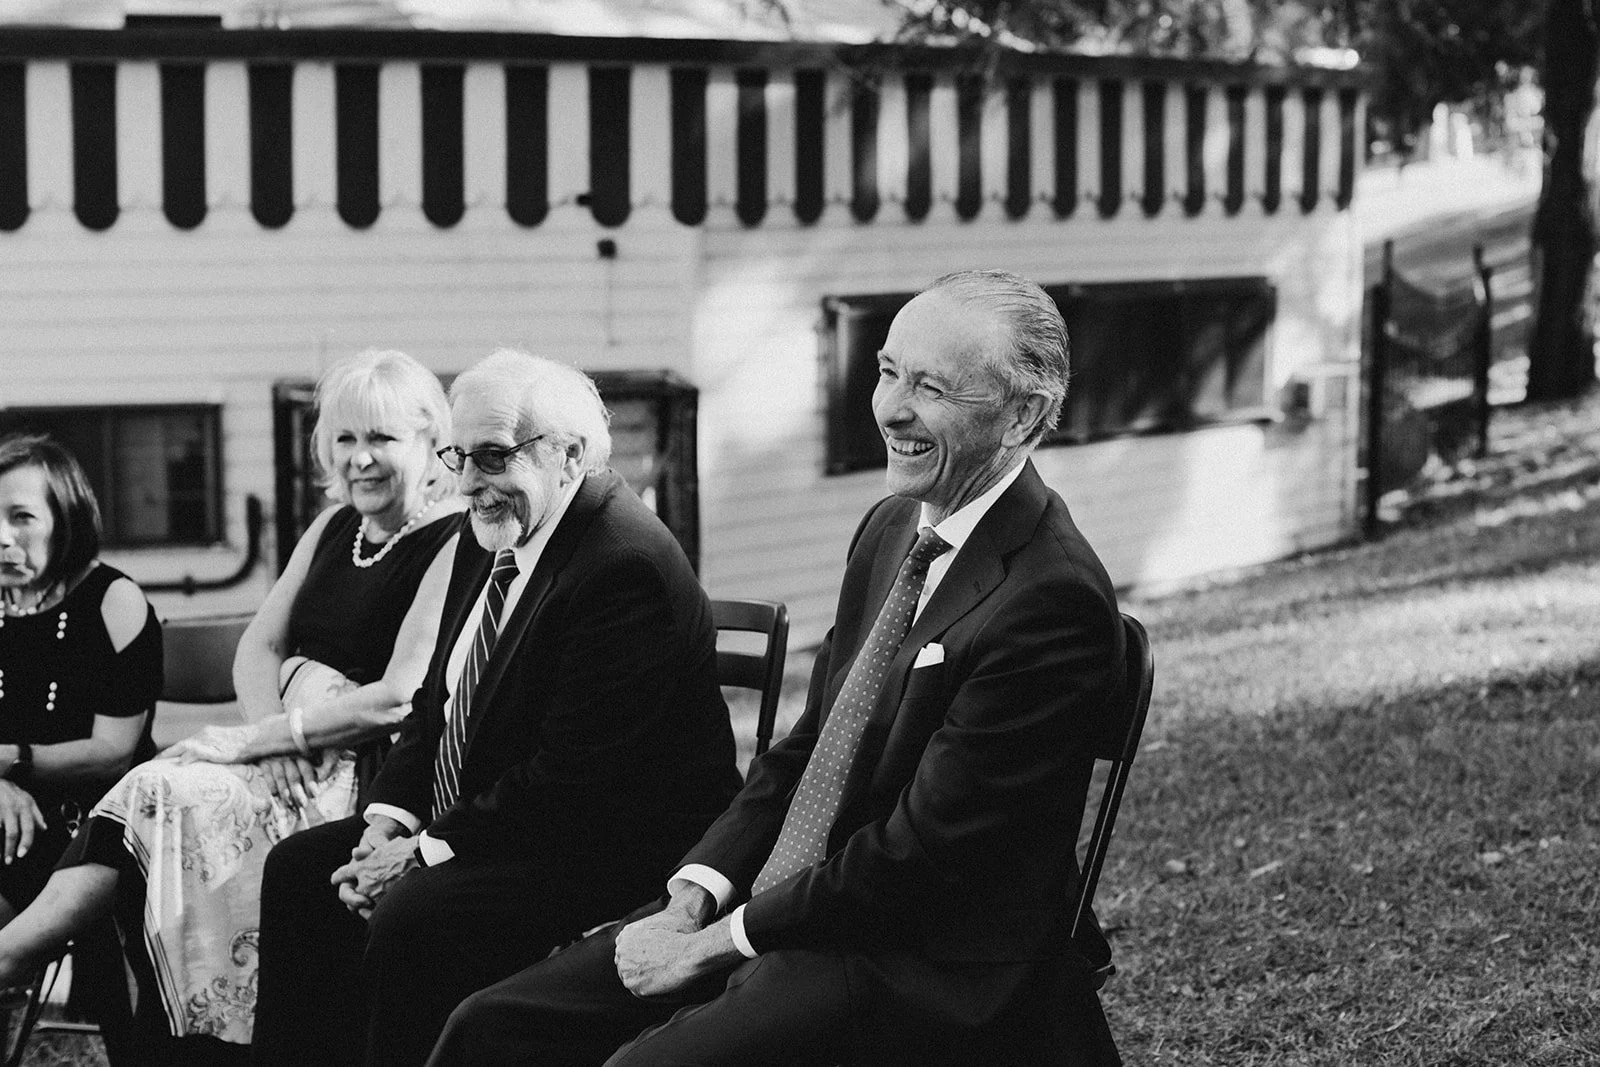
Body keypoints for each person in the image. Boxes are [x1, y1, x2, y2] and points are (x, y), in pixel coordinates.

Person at [429, 270, 1127, 1066]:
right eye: (887, 371)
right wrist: (693, 894)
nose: (889, 408)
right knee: (491, 1025)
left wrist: (719, 942)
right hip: (801, 911)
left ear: (1022, 414)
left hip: (924, 959)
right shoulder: (893, 527)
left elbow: (920, 856)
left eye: (930, 387)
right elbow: (807, 750)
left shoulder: (1052, 599)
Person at [250, 349, 744, 1067]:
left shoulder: (621, 566)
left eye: (492, 457)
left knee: (413, 915)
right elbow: (434, 703)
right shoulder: (494, 529)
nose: (467, 483)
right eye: (458, 457)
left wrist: (421, 853)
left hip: (602, 846)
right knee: (301, 870)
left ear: (568, 453)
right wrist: (387, 826)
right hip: (497, 816)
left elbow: (570, 781)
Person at [0, 350, 466, 1056]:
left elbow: (398, 696)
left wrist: (278, 737)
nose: (360, 458)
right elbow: (258, 645)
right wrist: (272, 733)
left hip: (360, 773)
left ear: (431, 441)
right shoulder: (333, 526)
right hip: (283, 746)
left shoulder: (452, 540)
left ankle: (21, 956)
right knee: (153, 809)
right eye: (345, 438)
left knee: (156, 793)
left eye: (382, 437)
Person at [0, 434, 159, 927]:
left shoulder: (113, 601)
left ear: (65, 519)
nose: (2, 536)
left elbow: (114, 751)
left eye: (21, 517)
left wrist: (11, 762)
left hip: (92, 822)